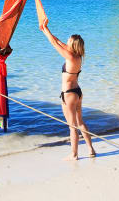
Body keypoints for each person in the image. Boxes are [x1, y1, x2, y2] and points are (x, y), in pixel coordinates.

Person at [40, 22, 96, 160]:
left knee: (72, 126)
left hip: (69, 94)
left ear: (73, 44)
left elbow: (54, 44)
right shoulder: (77, 56)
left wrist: (45, 30)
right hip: (77, 92)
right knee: (80, 122)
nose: (66, 42)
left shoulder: (70, 57)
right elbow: (57, 41)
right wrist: (46, 30)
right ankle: (91, 149)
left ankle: (74, 154)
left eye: (69, 41)